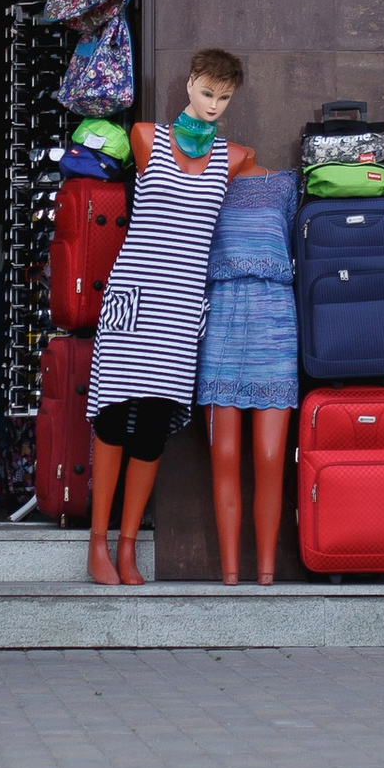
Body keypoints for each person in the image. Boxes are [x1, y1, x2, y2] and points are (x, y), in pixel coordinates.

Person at [82, 49, 260, 584]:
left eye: (224, 98)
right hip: (134, 296)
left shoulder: (235, 157)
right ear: (189, 85)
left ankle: (130, 546)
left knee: (153, 428)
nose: (213, 106)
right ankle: (97, 544)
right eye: (207, 93)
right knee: (113, 416)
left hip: (180, 308)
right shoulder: (144, 138)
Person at [196, 164, 299, 583]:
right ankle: (231, 573)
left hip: (274, 321)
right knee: (222, 457)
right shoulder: (203, 182)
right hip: (220, 321)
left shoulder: (285, 185)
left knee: (271, 458)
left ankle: (267, 572)